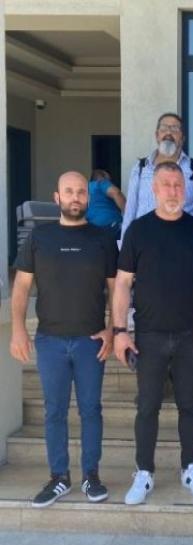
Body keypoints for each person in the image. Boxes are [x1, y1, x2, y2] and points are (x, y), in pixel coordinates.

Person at [10, 171, 117, 508]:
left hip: (90, 341)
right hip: (50, 341)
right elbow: (21, 286)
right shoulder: (39, 237)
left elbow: (116, 289)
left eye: (81, 192)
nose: (75, 197)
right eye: (69, 191)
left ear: (88, 197)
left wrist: (113, 329)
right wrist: (17, 329)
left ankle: (91, 475)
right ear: (57, 197)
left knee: (91, 410)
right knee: (54, 411)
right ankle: (59, 477)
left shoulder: (102, 239)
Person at [113, 162, 193, 505]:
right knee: (147, 407)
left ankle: (190, 467)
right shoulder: (138, 231)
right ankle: (144, 472)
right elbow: (122, 283)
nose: (173, 191)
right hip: (149, 335)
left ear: (186, 190)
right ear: (153, 190)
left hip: (189, 333)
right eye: (166, 185)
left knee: (189, 404)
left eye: (178, 185)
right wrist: (120, 330)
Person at [121, 112, 193, 238]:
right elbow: (130, 212)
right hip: (145, 242)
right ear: (157, 136)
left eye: (175, 129)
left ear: (182, 138)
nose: (168, 133)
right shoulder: (140, 168)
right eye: (164, 128)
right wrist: (125, 245)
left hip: (183, 243)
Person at [86, 169, 125, 240]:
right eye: (109, 180)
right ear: (101, 177)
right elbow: (116, 192)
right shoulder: (100, 183)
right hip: (111, 226)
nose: (110, 183)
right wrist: (128, 214)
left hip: (92, 229)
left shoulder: (85, 189)